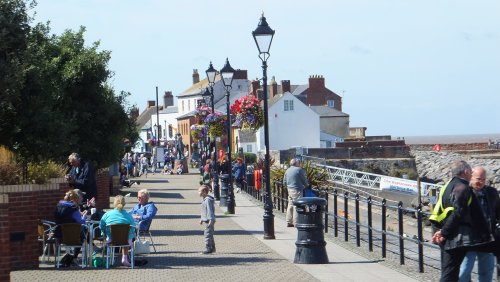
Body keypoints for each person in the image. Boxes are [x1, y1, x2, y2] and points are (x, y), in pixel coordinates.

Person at [431, 161, 494, 282]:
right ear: (466, 172)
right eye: (471, 172)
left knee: (453, 273)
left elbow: (439, 210)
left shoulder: (447, 186)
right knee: (451, 274)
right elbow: (457, 212)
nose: (471, 174)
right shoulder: (463, 187)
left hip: (449, 235)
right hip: (457, 238)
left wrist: (439, 230)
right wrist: (443, 233)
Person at [458, 166, 500, 282]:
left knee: (486, 273)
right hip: (469, 240)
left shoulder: (491, 193)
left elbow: (497, 213)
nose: (480, 182)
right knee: (463, 272)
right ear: (470, 177)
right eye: (478, 179)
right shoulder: (464, 191)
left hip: (487, 239)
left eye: (483, 179)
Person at [100, 195, 136, 267]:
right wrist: (131, 235)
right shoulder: (128, 215)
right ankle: (124, 258)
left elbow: (101, 225)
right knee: (128, 236)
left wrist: (104, 232)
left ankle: (108, 259)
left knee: (123, 236)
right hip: (125, 240)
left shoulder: (107, 214)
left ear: (114, 203)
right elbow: (133, 226)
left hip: (111, 239)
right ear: (124, 203)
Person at [54, 190, 87, 267]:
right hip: (73, 236)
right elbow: (81, 222)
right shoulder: (73, 208)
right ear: (74, 199)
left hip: (59, 235)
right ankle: (73, 258)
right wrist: (84, 216)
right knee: (84, 231)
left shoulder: (58, 206)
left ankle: (69, 256)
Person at [283, 158, 309, 227]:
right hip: (297, 190)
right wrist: (307, 185)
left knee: (290, 204)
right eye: (299, 162)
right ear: (296, 163)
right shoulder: (299, 170)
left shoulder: (287, 170)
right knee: (297, 205)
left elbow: (284, 182)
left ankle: (289, 221)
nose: (299, 164)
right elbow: (304, 180)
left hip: (289, 189)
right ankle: (296, 222)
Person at [198, 184, 216, 254]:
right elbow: (204, 211)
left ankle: (208, 248)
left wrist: (211, 220)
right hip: (206, 220)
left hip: (209, 221)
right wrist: (201, 219)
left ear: (204, 192)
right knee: (210, 234)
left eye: (199, 191)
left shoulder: (207, 200)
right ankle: (212, 248)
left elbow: (209, 210)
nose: (198, 193)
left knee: (207, 235)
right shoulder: (205, 200)